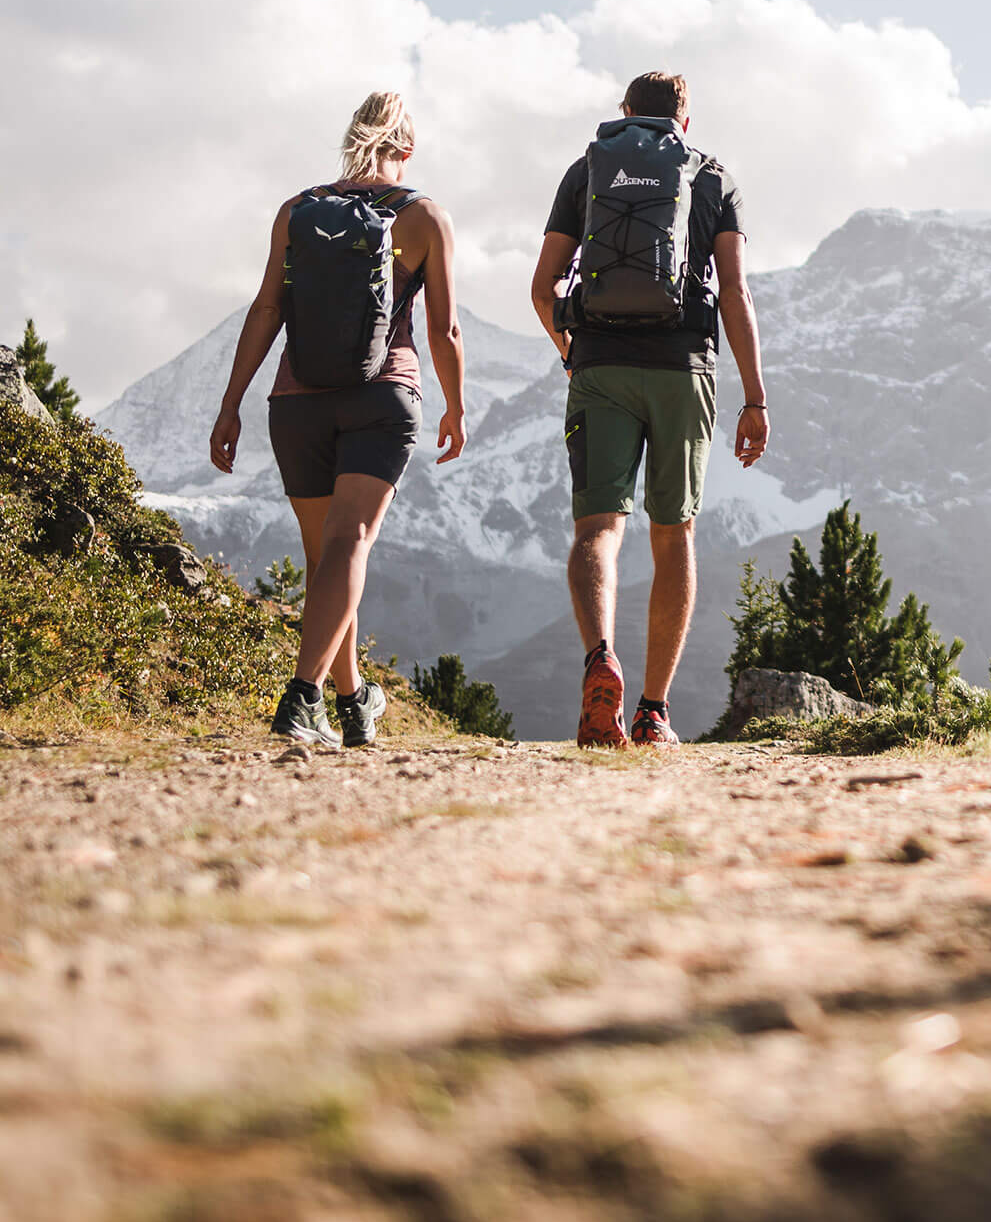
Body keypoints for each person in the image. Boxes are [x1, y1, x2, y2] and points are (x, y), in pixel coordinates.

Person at [210, 92, 467, 747]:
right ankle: (302, 698)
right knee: (350, 544)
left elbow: (266, 309)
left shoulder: (296, 212)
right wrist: (457, 405)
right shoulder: (421, 216)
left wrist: (231, 402)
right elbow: (445, 329)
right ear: (405, 151)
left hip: (295, 402)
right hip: (382, 395)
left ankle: (351, 703)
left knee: (327, 556)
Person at [530, 71, 767, 747]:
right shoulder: (711, 178)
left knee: (597, 529)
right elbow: (736, 295)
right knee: (673, 535)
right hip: (684, 365)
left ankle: (600, 659)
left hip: (601, 361)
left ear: (626, 114)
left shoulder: (589, 170)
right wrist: (753, 396)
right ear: (683, 121)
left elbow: (542, 286)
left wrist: (570, 349)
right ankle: (653, 712)